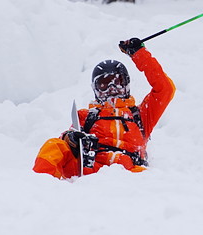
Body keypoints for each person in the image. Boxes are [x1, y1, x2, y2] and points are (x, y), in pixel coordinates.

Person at [33, 38, 175, 179]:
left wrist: (139, 54)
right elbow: (68, 139)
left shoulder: (141, 116)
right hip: (92, 170)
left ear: (126, 84)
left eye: (118, 82)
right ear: (96, 89)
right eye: (104, 84)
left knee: (153, 178)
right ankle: (43, 186)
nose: (112, 89)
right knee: (54, 146)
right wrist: (71, 138)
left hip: (131, 172)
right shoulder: (87, 116)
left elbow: (165, 89)